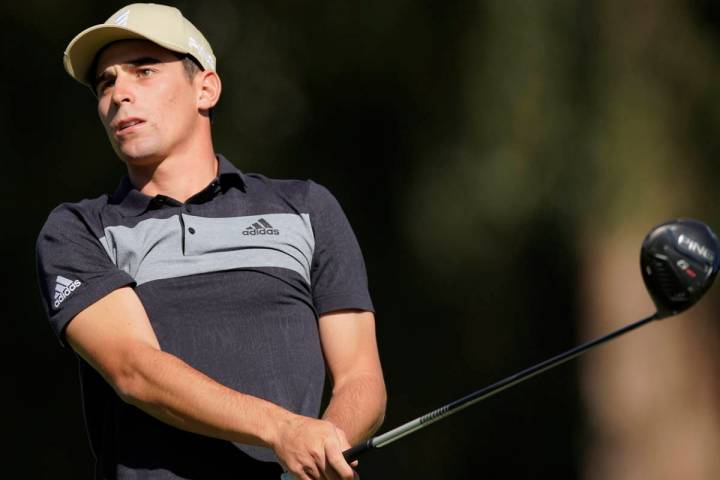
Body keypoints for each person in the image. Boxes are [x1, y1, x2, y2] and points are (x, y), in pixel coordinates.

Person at [35, 4, 386, 479]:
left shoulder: (306, 207)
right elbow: (134, 370)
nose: (118, 94)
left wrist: (326, 445)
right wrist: (282, 430)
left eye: (144, 71)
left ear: (205, 88)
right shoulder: (78, 230)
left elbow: (362, 378)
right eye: (106, 82)